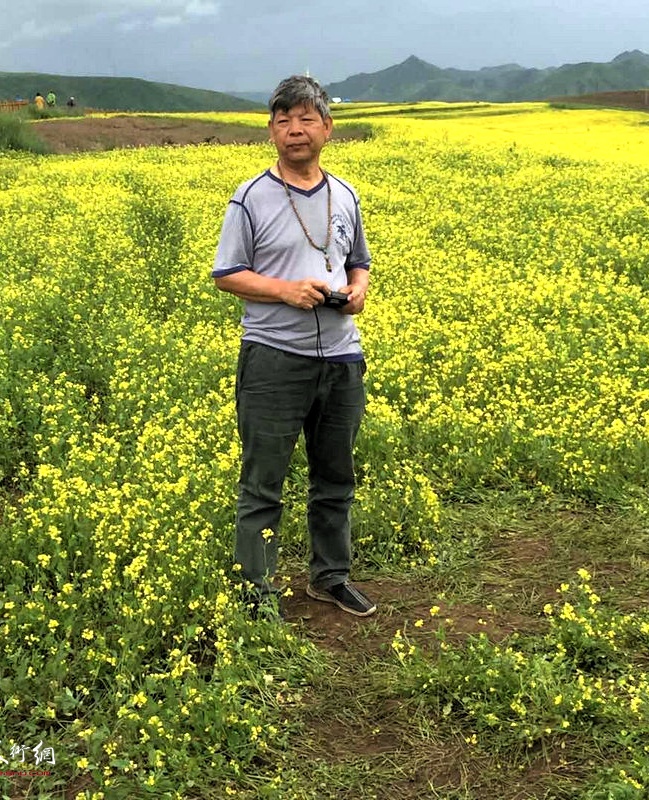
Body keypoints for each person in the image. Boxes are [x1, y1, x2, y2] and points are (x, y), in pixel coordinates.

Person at [212, 75, 376, 618]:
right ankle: (256, 593)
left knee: (335, 476)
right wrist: (286, 290)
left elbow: (361, 262)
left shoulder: (346, 194)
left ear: (327, 128)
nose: (294, 130)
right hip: (274, 357)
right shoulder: (250, 197)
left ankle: (330, 576)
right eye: (283, 120)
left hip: (341, 357)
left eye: (306, 119)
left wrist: (356, 293)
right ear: (271, 131)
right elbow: (227, 273)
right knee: (263, 483)